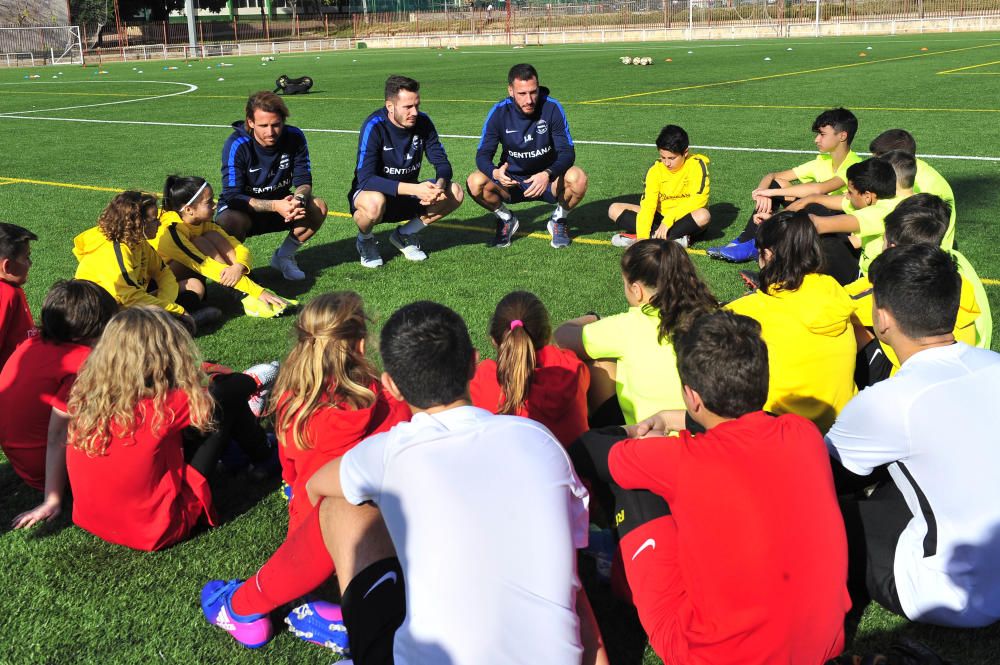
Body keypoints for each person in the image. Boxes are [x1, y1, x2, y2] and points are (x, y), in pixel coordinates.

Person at [202, 301, 608, 665]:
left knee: (340, 504)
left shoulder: (381, 446)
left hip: (383, 590)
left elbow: (312, 488)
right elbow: (571, 575)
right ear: (473, 363)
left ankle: (245, 605)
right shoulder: (539, 441)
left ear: (393, 382)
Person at [571, 310, 849, 663]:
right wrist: (672, 418)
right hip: (820, 644)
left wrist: (636, 432)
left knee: (632, 481)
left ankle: (618, 578)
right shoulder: (803, 434)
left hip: (713, 655)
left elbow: (584, 451)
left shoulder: (681, 460)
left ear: (692, 396)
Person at [827, 244, 1000, 629]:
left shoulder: (889, 401)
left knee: (826, 515)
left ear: (883, 319)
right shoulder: (995, 363)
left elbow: (824, 476)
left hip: (950, 593)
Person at [65, 307, 275, 551]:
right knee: (223, 400)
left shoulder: (88, 394)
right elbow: (228, 390)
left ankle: (244, 453)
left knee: (210, 406)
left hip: (91, 518)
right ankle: (264, 455)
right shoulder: (167, 405)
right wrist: (251, 379)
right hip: (160, 527)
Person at [272, 291, 410, 535]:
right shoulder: (392, 403)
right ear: (361, 344)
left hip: (308, 531)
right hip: (376, 534)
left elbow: (290, 472)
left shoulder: (290, 403)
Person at [554, 239, 717, 427]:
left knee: (599, 363)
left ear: (636, 290)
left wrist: (594, 317)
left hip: (649, 435)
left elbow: (561, 336)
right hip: (704, 430)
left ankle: (606, 434)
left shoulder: (626, 326)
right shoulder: (711, 317)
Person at [0, 280, 118, 529]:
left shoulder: (33, 343)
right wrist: (52, 499)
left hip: (25, 460)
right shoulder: (81, 363)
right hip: (46, 465)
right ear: (84, 333)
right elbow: (57, 434)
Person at [726, 211, 857, 433]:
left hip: (786, 433)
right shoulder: (834, 290)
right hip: (844, 426)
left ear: (766, 255)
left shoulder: (747, 311)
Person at [846, 194, 990, 386]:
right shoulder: (955, 276)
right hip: (963, 368)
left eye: (883, 239)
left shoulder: (885, 288)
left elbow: (838, 303)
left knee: (846, 328)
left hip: (903, 385)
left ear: (892, 247)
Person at [707, 107, 860, 262]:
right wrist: (762, 191)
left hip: (839, 224)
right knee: (777, 184)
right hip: (818, 213)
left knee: (812, 201)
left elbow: (819, 189)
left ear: (842, 136)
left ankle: (758, 242)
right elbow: (772, 176)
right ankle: (746, 240)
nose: (816, 140)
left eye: (822, 134)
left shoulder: (854, 164)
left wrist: (770, 193)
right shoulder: (823, 161)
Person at [467, 63, 589, 249]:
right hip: (512, 182)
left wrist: (547, 173)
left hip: (548, 180)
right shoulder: (499, 112)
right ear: (511, 91)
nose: (529, 99)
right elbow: (483, 154)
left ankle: (558, 220)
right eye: (522, 94)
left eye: (533, 92)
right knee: (475, 182)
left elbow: (567, 152)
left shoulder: (552, 108)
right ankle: (506, 219)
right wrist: (495, 173)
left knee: (578, 178)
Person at [350, 75, 463, 268]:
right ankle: (365, 239)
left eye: (417, 105)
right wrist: (416, 189)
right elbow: (366, 179)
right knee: (374, 203)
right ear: (390, 106)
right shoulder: (374, 125)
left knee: (455, 192)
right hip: (374, 194)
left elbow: (442, 164)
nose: (415, 112)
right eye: (407, 107)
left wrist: (438, 187)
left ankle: (404, 235)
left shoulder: (423, 122)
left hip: (407, 194)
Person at [217, 91, 328, 281]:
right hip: (244, 210)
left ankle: (283, 257)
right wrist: (276, 205)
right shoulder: (236, 144)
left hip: (283, 207)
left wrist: (299, 199)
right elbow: (232, 196)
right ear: (250, 122)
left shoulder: (294, 136)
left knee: (318, 207)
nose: (270, 132)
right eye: (263, 125)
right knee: (228, 222)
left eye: (276, 125)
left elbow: (303, 181)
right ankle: (238, 273)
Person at [152, 175, 294, 319]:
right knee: (199, 249)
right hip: (155, 286)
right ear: (189, 210)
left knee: (212, 237)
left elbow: (238, 247)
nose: (215, 205)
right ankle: (246, 296)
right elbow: (205, 265)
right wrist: (256, 291)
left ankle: (256, 289)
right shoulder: (172, 230)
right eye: (208, 202)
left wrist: (239, 266)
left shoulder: (204, 223)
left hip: (181, 275)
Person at [470, 291, 589, 447]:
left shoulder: (481, 377)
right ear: (547, 335)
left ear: (493, 340)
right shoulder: (569, 367)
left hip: (503, 468)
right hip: (572, 467)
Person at [73, 191, 201, 333]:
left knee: (195, 286)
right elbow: (131, 298)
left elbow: (163, 272)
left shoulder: (139, 241)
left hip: (132, 301)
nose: (159, 223)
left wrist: (166, 303)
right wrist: (177, 310)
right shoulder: (114, 250)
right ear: (137, 223)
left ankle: (170, 325)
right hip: (106, 314)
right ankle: (171, 327)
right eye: (153, 220)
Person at [607, 124, 710, 249]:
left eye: (672, 158)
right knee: (614, 209)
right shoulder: (655, 170)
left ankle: (658, 238)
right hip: (660, 217)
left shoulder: (696, 165)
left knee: (704, 215)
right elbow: (648, 205)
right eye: (663, 157)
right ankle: (669, 239)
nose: (666, 163)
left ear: (685, 152)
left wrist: (668, 220)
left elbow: (699, 200)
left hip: (684, 217)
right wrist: (643, 237)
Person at [804, 158, 901, 283]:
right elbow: (815, 199)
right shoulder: (894, 201)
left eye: (850, 192)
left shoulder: (877, 213)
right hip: (867, 264)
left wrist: (775, 224)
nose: (847, 197)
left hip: (865, 279)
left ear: (867, 196)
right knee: (815, 209)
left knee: (824, 241)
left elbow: (817, 224)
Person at [869, 128, 957, 249]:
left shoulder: (923, 187)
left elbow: (917, 233)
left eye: (877, 161)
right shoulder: (907, 172)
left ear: (895, 158)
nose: (873, 166)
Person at [0, 222, 36, 370]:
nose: (30, 263)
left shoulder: (12, 288)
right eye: (26, 257)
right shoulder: (6, 294)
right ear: (7, 266)